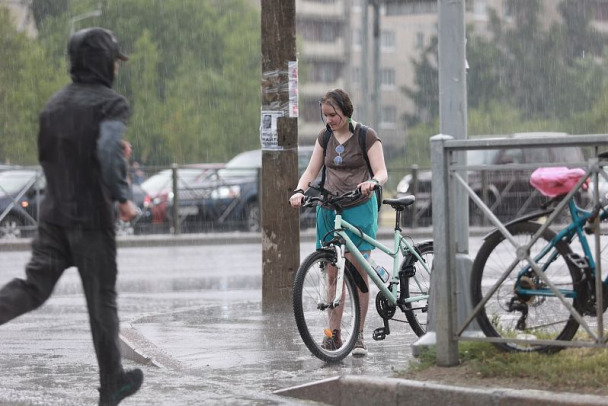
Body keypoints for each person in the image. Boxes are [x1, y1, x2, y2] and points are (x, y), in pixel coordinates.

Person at [0, 28, 143, 405]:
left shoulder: (54, 105)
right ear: (102, 62)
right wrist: (122, 198)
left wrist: (102, 154)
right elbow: (108, 151)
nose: (116, 67)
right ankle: (112, 383)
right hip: (92, 219)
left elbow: (57, 155)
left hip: (53, 216)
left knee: (33, 288)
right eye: (114, 60)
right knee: (102, 302)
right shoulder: (110, 103)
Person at [289, 88, 388, 357]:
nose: (328, 120)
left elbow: (381, 172)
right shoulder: (325, 137)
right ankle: (333, 336)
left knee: (357, 275)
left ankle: (358, 336)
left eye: (332, 115)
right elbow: (312, 171)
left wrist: (372, 182)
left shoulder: (366, 136)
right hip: (330, 210)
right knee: (332, 273)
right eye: (325, 115)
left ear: (345, 111)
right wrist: (299, 190)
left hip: (358, 208)